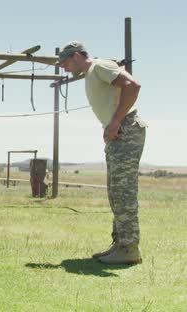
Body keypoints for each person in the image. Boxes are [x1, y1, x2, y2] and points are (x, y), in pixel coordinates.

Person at [58, 41, 146, 264]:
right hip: (119, 131)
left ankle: (129, 249)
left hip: (126, 128)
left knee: (123, 190)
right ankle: (119, 244)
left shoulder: (98, 67)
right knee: (115, 190)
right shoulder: (92, 73)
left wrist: (116, 121)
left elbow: (133, 86)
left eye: (66, 62)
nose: (64, 67)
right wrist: (110, 125)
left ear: (77, 56)